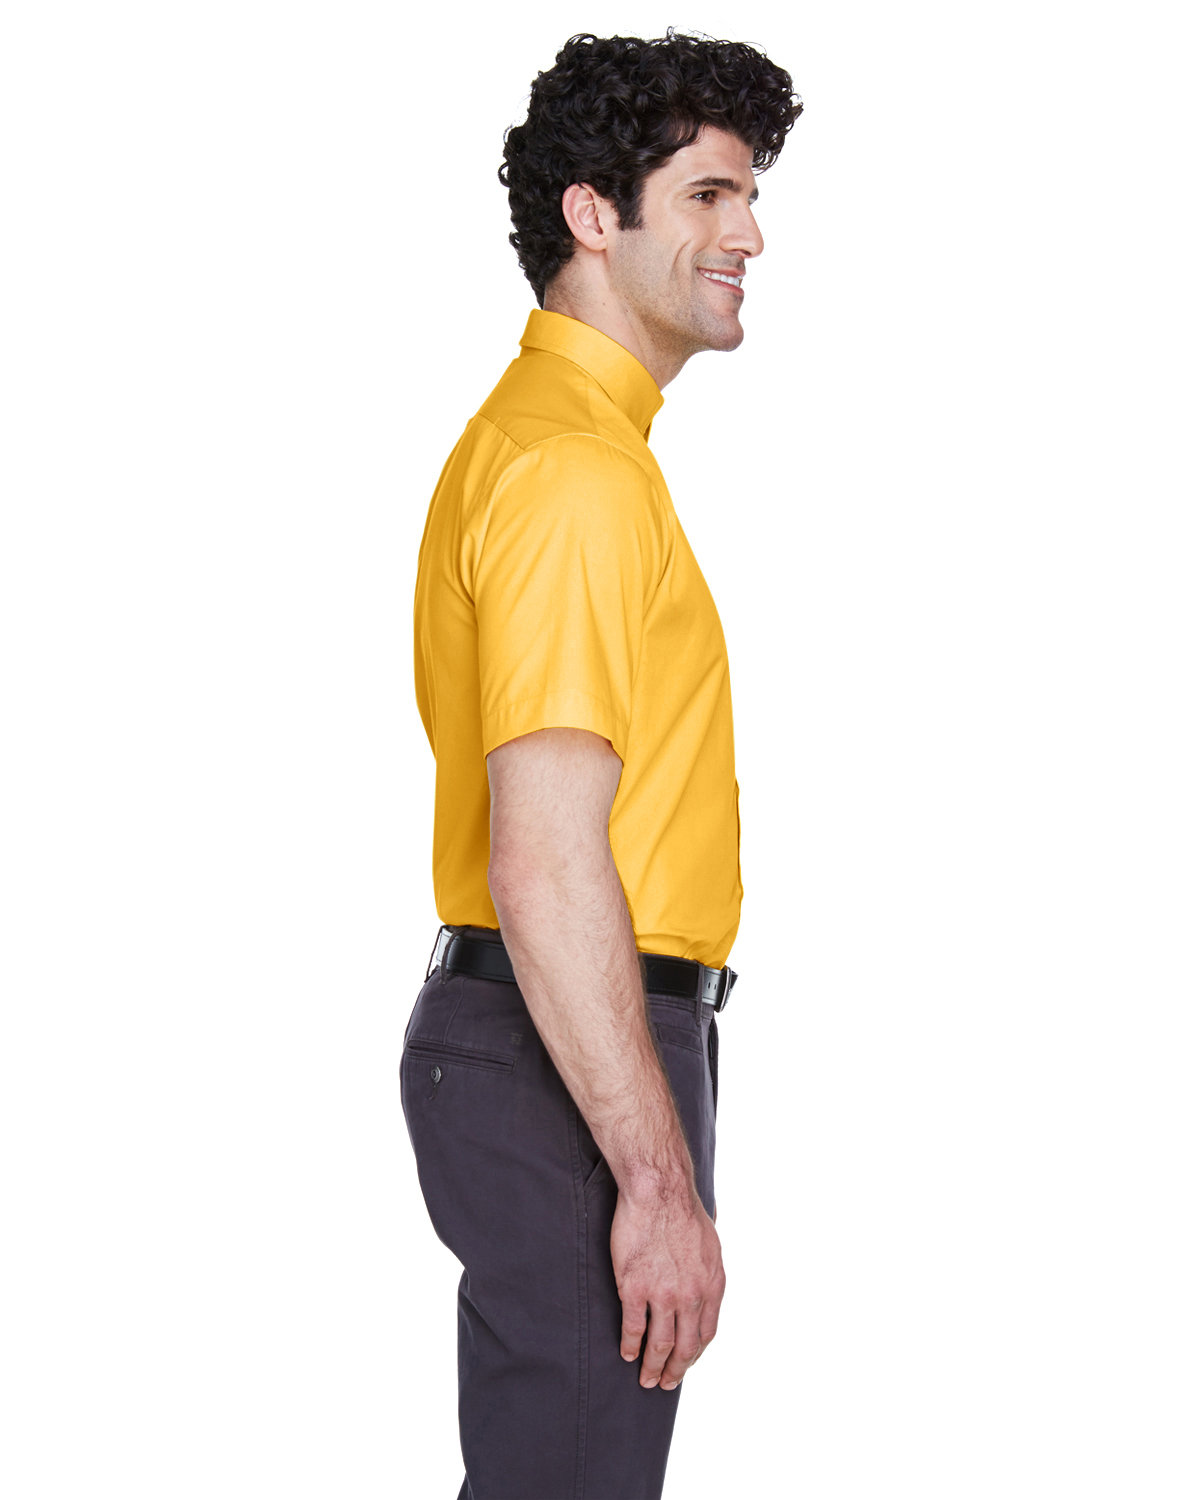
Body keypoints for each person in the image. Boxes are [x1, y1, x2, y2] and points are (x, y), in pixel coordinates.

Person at [402, 31, 802, 1500]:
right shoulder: (571, 471)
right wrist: (654, 1176)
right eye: (706, 194)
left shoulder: (577, 449)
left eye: (748, 196)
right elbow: (548, 853)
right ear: (592, 214)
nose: (748, 234)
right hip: (569, 1047)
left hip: (562, 1039)